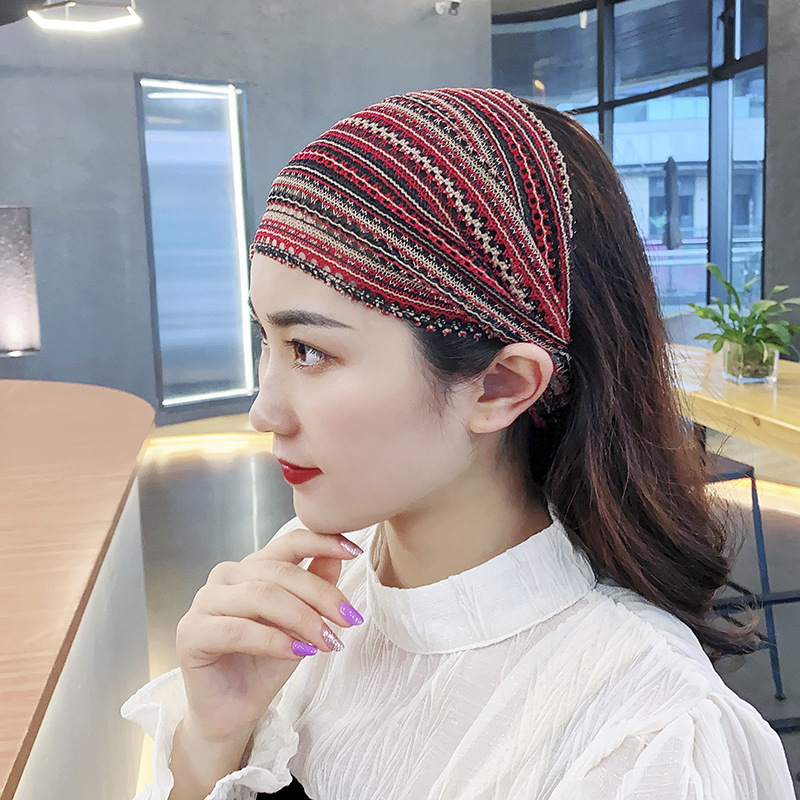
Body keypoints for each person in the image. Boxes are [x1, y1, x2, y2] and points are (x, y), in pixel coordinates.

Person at [122, 88, 795, 800]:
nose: (264, 411)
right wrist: (212, 737)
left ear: (501, 386)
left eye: (310, 350)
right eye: (267, 338)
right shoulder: (317, 585)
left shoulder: (645, 736)